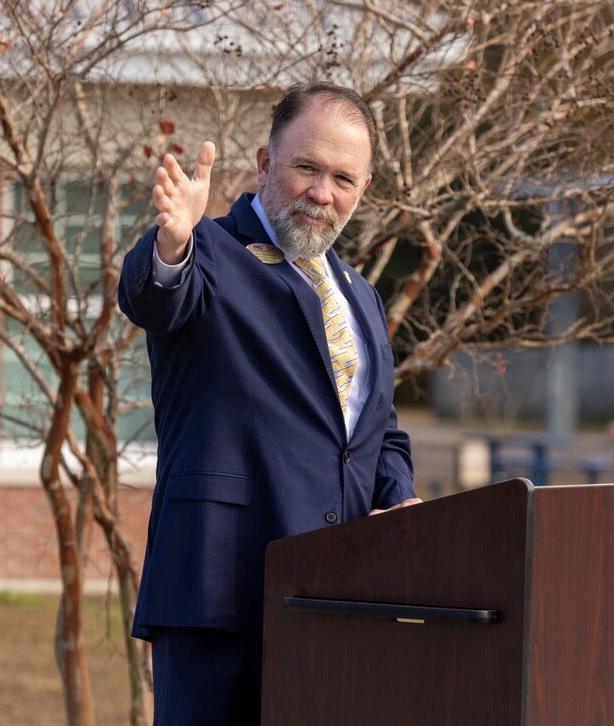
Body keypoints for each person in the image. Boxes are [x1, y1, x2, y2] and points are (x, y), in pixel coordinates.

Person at [118, 81, 422, 724]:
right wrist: (174, 242)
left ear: (361, 191)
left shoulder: (360, 297)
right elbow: (156, 296)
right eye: (306, 168)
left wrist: (400, 501)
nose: (322, 192)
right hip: (222, 598)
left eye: (343, 178)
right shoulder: (210, 254)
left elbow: (376, 432)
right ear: (264, 164)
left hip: (338, 602)